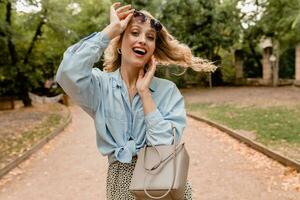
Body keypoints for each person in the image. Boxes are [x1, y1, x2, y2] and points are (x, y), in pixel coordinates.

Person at [56, 2, 216, 199]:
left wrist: (145, 94)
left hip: (164, 185)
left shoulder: (168, 92)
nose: (142, 40)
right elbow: (67, 73)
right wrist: (110, 31)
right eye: (134, 33)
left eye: (150, 37)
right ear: (120, 43)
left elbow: (166, 146)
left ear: (153, 50)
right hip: (120, 187)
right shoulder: (100, 86)